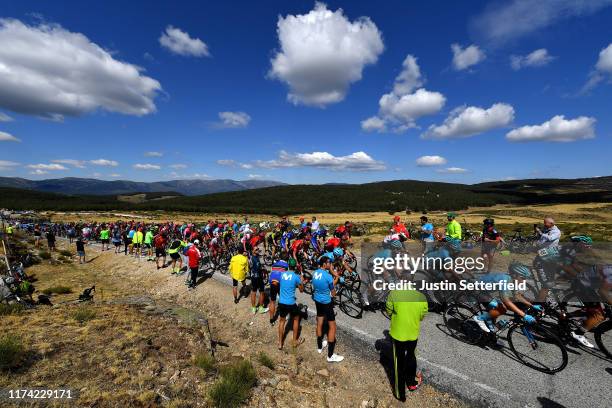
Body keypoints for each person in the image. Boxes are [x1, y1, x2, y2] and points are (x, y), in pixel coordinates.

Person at [386, 288, 428, 400]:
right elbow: (422, 316)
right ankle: (411, 383)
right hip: (413, 334)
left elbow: (389, 311)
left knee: (398, 363)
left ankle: (400, 394)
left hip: (398, 334)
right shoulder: (421, 297)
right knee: (411, 357)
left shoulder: (394, 293)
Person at [312, 256, 344, 362]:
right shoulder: (328, 276)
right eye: (329, 263)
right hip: (326, 302)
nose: (330, 264)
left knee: (320, 322)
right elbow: (333, 292)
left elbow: (317, 286)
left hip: (317, 300)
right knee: (332, 327)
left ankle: (319, 347)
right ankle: (330, 356)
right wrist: (336, 281)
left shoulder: (315, 273)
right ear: (324, 264)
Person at [277, 258, 304, 349]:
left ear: (288, 265)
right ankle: (294, 341)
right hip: (291, 302)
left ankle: (280, 343)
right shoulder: (296, 276)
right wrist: (301, 281)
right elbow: (301, 290)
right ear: (295, 266)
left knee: (282, 321)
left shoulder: (282, 274)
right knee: (296, 319)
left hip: (282, 301)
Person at [269, 256, 289, 325]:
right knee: (282, 300)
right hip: (280, 284)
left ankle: (271, 319)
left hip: (272, 283)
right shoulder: (286, 265)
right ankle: (283, 316)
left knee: (272, 301)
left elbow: (271, 272)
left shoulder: (275, 263)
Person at [249, 249, 268, 314]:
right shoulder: (255, 258)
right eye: (256, 249)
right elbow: (258, 268)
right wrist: (262, 269)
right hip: (258, 277)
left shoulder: (251, 257)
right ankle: (260, 308)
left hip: (253, 277)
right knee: (261, 292)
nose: (258, 250)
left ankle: (254, 308)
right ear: (253, 251)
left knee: (253, 292)